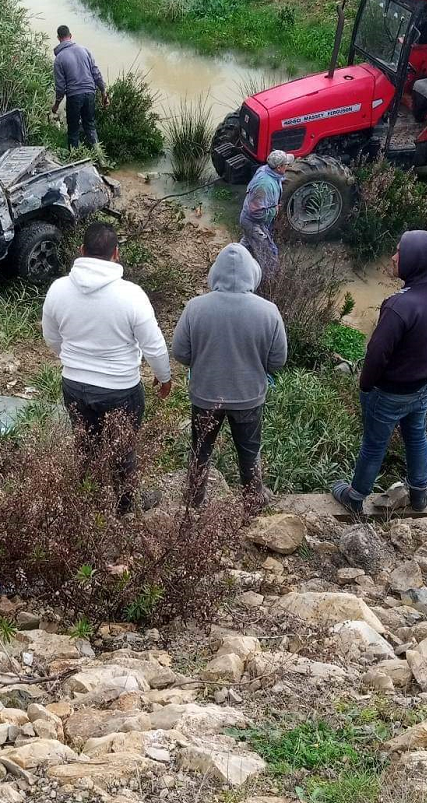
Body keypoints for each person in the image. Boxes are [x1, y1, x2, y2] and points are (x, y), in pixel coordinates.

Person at [42, 221, 171, 513]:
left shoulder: (58, 289)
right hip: (120, 389)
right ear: (116, 254)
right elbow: (154, 345)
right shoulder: (132, 295)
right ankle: (124, 508)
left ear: (81, 251)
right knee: (123, 449)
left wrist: (72, 361)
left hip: (73, 385)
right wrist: (164, 377)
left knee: (85, 444)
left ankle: (86, 504)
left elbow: (51, 337)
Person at [332, 230, 427, 515]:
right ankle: (419, 493)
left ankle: (355, 496)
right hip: (426, 383)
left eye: (400, 252)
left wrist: (365, 386)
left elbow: (377, 354)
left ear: (414, 260)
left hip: (390, 392)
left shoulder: (400, 305)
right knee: (416, 434)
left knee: (374, 444)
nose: (393, 256)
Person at [172, 243, 287, 513]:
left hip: (205, 396)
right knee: (249, 454)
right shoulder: (269, 311)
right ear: (253, 274)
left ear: (215, 274)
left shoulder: (195, 308)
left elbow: (180, 353)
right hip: (248, 398)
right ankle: (252, 507)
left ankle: (193, 505)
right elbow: (278, 361)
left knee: (200, 452)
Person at [51, 25, 109, 150]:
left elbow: (60, 88)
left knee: (73, 130)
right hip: (90, 93)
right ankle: (100, 157)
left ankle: (75, 160)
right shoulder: (85, 50)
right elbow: (96, 73)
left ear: (58, 38)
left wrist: (56, 105)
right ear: (70, 36)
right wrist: (104, 92)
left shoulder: (59, 59)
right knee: (90, 126)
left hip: (74, 96)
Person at [239, 150, 294, 277]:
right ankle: (268, 282)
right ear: (279, 167)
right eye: (286, 164)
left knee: (246, 244)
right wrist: (273, 210)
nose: (288, 166)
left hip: (252, 220)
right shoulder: (264, 184)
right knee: (269, 255)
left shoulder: (269, 171)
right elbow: (256, 212)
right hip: (254, 223)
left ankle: (232, 260)